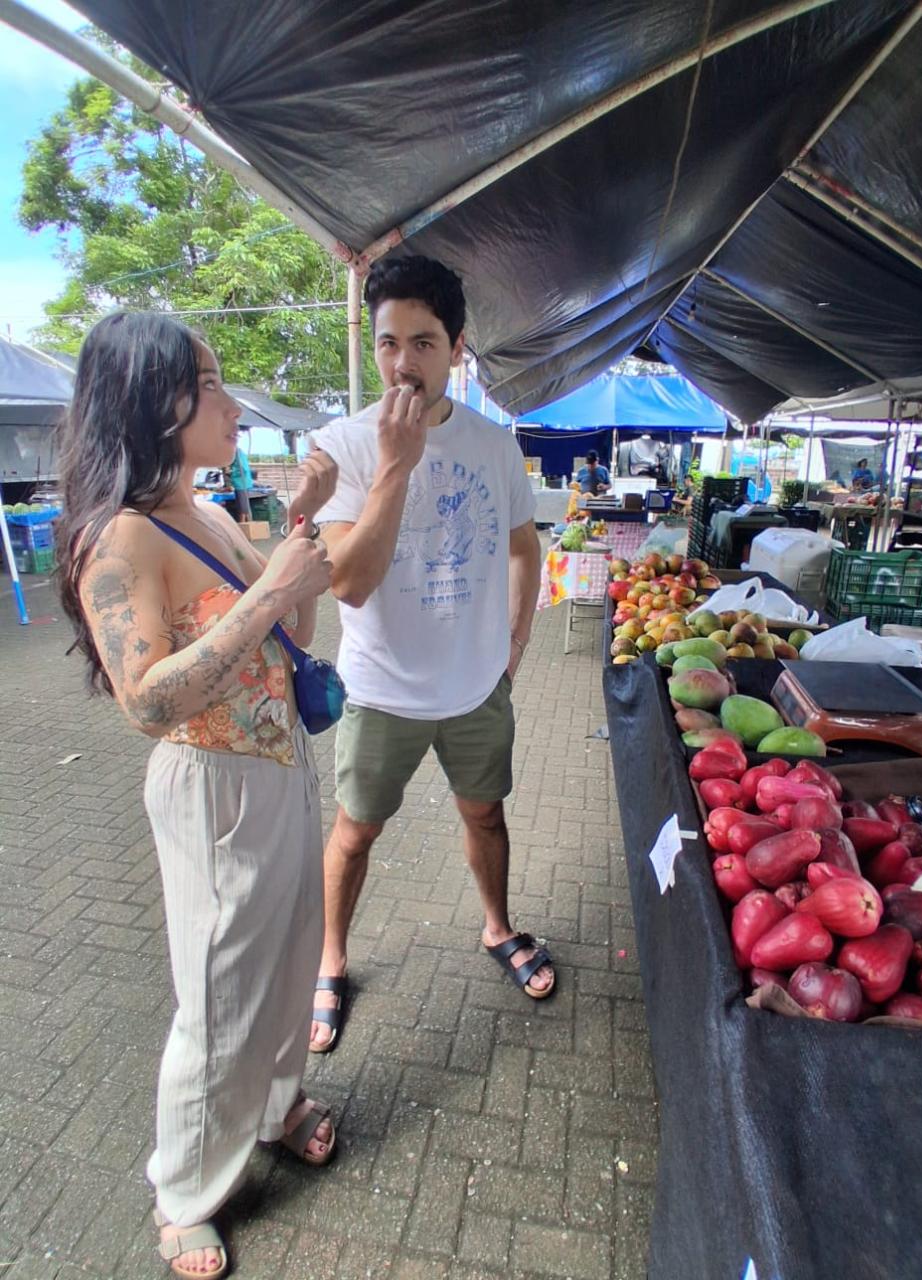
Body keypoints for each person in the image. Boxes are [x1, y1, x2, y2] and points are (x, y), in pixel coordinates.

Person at [56, 312, 338, 1278]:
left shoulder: (211, 511)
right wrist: (272, 594)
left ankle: (275, 1105)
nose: (230, 401)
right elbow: (144, 699)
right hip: (213, 786)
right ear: (151, 401)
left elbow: (291, 619)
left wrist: (300, 526)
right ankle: (184, 1190)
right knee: (218, 996)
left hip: (281, 765)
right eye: (208, 383)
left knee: (294, 955)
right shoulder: (120, 537)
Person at [286, 255, 553, 1055]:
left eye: (424, 343)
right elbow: (353, 585)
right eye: (388, 342)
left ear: (457, 349)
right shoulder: (339, 447)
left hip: (477, 688)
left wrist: (515, 642)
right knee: (355, 833)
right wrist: (396, 464)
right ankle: (331, 962)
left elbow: (523, 549)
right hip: (380, 690)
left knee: (486, 814)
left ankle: (497, 927)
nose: (403, 362)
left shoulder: (495, 445)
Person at [229, 442, 254, 522]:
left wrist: (231, 472)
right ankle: (249, 525)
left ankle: (243, 527)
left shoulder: (236, 453)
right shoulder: (240, 452)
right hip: (244, 483)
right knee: (245, 507)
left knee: (242, 508)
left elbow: (242, 469)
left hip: (241, 483)